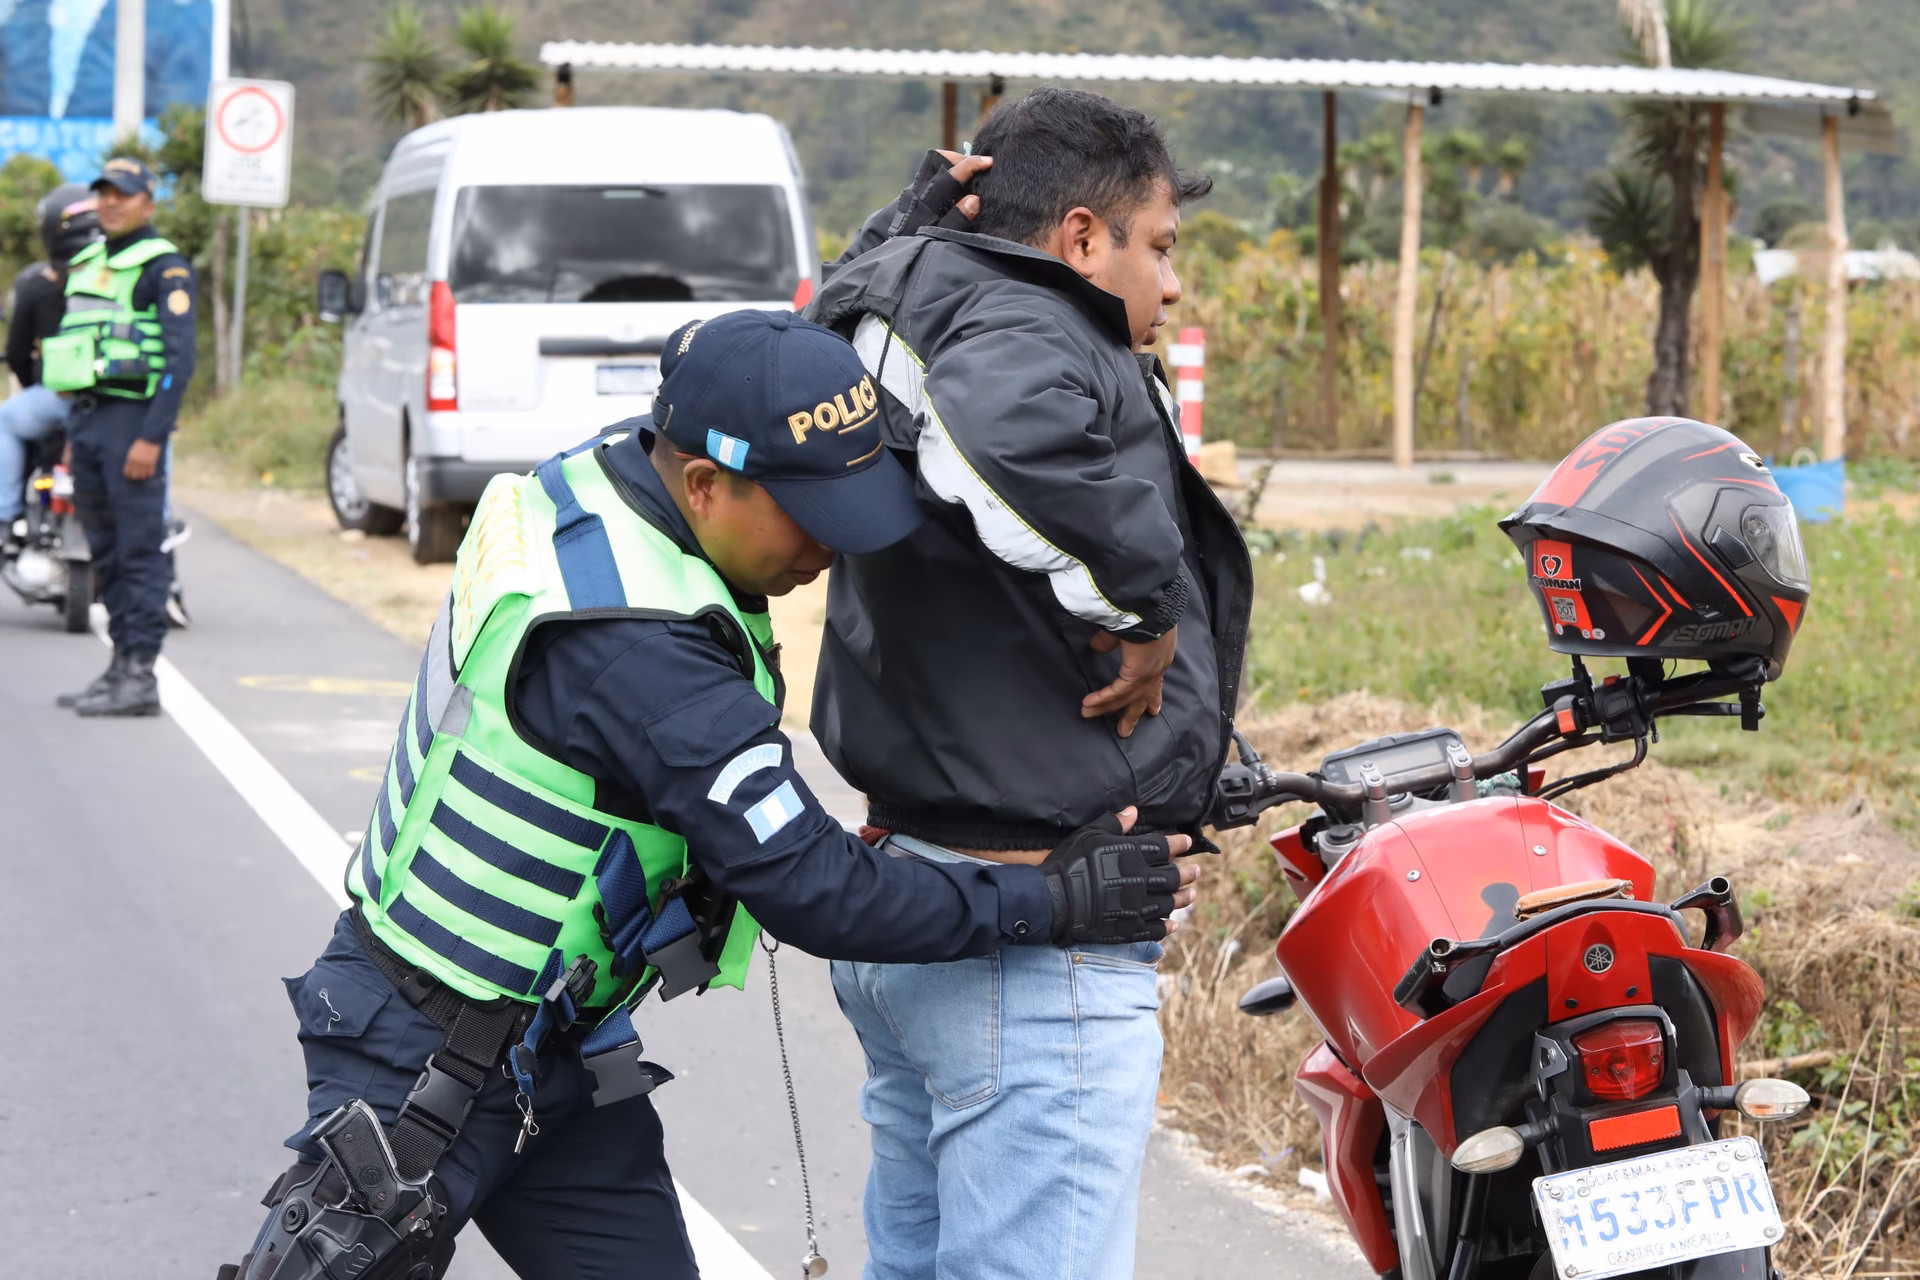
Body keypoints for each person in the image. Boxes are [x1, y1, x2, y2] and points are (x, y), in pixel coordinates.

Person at [217, 309, 1199, 1280]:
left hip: (558, 1049)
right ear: (704, 483)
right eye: (811, 515)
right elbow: (819, 890)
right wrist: (1058, 898)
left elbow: (759, 377)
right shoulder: (642, 652)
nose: (835, 548)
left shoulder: (604, 479)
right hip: (424, 1055)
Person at [807, 87, 1255, 1280]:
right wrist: (1146, 605)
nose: (1171, 286)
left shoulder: (904, 300)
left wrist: (894, 233)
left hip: (920, 887)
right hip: (1030, 943)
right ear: (1080, 237)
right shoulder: (1024, 322)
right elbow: (1006, 438)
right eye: (1159, 247)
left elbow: (816, 349)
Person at [40, 156, 196, 715]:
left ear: (147, 204)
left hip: (133, 425)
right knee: (104, 551)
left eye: (123, 194)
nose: (110, 202)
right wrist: (71, 434)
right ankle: (119, 667)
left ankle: (141, 676)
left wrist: (152, 438)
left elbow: (179, 362)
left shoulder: (164, 268)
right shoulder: (87, 263)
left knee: (138, 553)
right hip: (86, 423)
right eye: (104, 192)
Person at [0, 184, 97, 552]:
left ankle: (6, 517)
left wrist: (33, 385)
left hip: (58, 398)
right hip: (111, 401)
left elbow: (17, 353)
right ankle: (160, 524)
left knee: (5, 421)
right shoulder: (116, 276)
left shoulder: (37, 285)